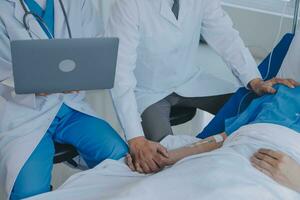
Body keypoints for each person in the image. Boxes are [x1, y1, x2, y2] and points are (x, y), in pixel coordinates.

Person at [105, 0, 297, 174]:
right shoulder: (128, 5)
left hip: (190, 80)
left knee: (250, 105)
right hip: (147, 91)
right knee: (160, 160)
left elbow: (226, 37)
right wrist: (135, 139)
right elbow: (120, 74)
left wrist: (255, 80)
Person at [0, 0, 128, 199]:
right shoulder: (4, 8)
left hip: (71, 107)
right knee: (29, 192)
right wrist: (32, 84)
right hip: (25, 114)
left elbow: (96, 45)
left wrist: (84, 74)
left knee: (120, 157)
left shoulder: (78, 3)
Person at [126, 82, 300, 193]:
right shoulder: (280, 92)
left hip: (278, 177)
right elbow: (223, 137)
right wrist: (166, 157)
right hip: (230, 156)